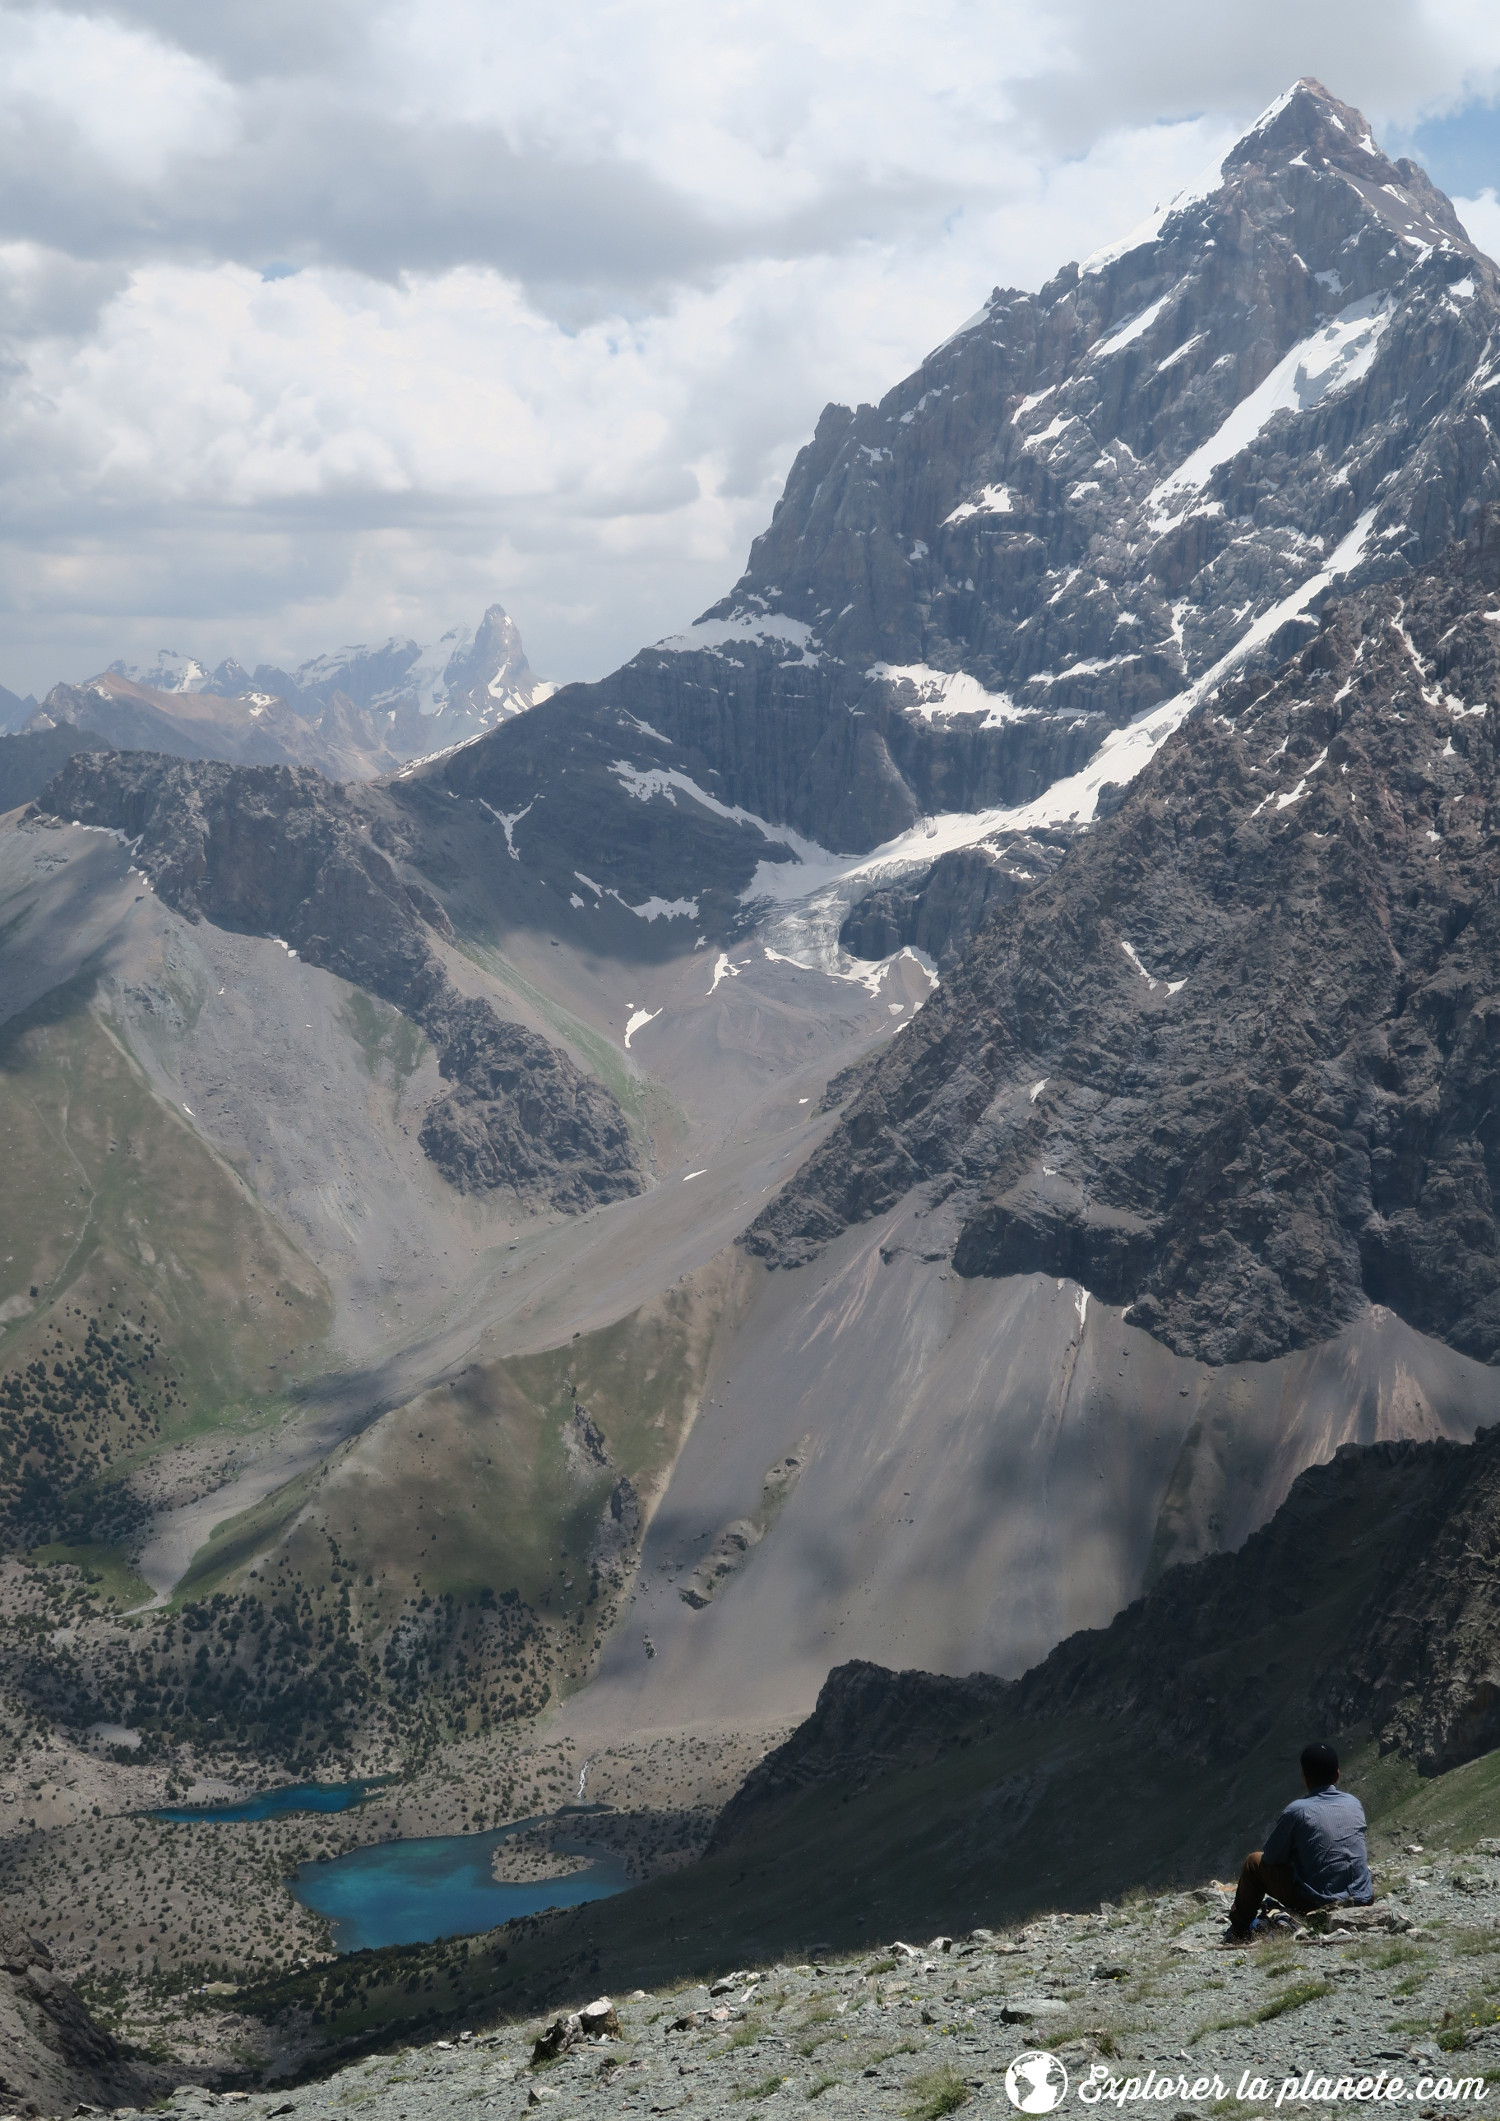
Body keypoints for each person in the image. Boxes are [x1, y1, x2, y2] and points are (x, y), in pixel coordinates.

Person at [1225, 1743, 1374, 1939]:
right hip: (1363, 1898)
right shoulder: (1354, 1803)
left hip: (1320, 1902)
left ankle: (1238, 1931)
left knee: (1253, 1862)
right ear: (1337, 1775)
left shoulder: (1297, 1811)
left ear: (1304, 1777)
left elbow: (1270, 1857)